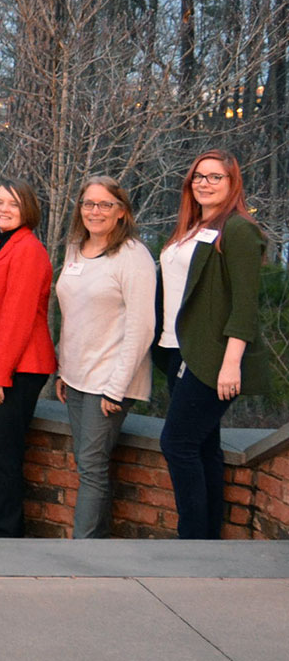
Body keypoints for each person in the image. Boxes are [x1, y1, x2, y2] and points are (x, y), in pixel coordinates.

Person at [156, 149, 269, 540]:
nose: (203, 183)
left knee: (177, 443)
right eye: (198, 177)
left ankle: (192, 541)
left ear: (232, 182)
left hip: (212, 357)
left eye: (214, 177)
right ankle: (208, 543)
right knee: (203, 447)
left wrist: (231, 362)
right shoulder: (190, 227)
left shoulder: (238, 230)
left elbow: (244, 304)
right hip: (176, 350)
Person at [54, 176, 155, 538]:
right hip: (77, 377)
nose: (94, 211)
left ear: (121, 212)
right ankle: (102, 549)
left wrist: (117, 387)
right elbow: (74, 317)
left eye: (104, 204)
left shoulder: (133, 257)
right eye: (88, 204)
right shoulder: (75, 249)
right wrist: (63, 370)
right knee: (86, 464)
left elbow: (142, 326)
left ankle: (84, 554)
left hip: (110, 382)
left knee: (92, 468)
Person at [0, 180, 57, 538]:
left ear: (28, 211)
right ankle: (4, 530)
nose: (3, 209)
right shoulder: (6, 243)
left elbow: (17, 317)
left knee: (3, 455)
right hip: (1, 362)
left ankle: (7, 536)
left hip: (17, 367)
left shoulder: (28, 250)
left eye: (13, 205)